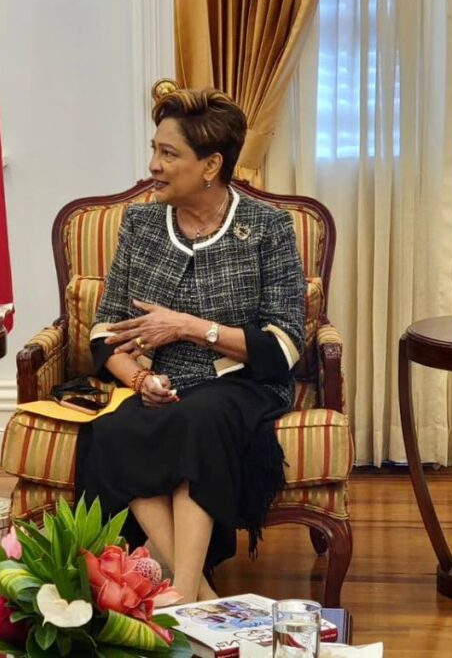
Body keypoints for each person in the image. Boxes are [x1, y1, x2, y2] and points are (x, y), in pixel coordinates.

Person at [74, 88, 305, 604]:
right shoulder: (141, 224)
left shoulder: (267, 227)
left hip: (241, 383)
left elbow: (287, 342)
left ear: (211, 165)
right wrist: (139, 379)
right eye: (154, 149)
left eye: (168, 153)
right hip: (165, 384)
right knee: (111, 433)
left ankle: (182, 588)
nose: (153, 165)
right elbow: (105, 330)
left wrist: (188, 326)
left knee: (198, 420)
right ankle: (198, 594)